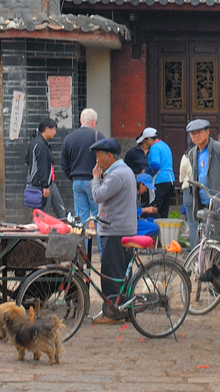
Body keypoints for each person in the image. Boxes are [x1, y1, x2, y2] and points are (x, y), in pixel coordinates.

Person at [89, 138, 137, 324]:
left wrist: (95, 179)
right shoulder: (122, 171)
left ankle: (114, 313)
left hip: (115, 229)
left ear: (109, 156)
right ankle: (122, 308)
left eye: (98, 157)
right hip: (122, 227)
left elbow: (98, 195)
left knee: (112, 274)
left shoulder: (117, 174)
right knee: (121, 273)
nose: (97, 161)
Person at [184, 119, 220, 246]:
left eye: (199, 132)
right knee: (207, 245)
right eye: (192, 133)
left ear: (207, 132)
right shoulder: (192, 154)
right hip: (205, 205)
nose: (196, 136)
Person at [61, 108, 101, 224]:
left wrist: (73, 176)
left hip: (76, 181)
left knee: (81, 218)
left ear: (80, 121)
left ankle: (83, 242)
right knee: (98, 217)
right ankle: (100, 242)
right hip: (94, 181)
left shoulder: (69, 138)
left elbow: (64, 163)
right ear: (93, 121)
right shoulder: (97, 136)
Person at [25, 119, 66, 218]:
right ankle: (37, 231)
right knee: (42, 214)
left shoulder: (36, 142)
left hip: (48, 182)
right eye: (54, 129)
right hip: (43, 185)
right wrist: (45, 186)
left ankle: (64, 226)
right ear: (47, 129)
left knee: (60, 209)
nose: (55, 132)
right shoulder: (41, 144)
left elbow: (27, 160)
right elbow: (42, 166)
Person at [139, 127, 175, 219]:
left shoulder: (154, 148)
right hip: (170, 180)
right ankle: (164, 231)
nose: (144, 144)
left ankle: (155, 230)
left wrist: (146, 173)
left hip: (159, 180)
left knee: (154, 208)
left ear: (149, 139)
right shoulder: (165, 145)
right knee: (164, 209)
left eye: (145, 141)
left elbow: (155, 164)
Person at [178, 150, 197, 246]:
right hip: (202, 190)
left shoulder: (186, 156)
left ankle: (193, 251)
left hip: (188, 189)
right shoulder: (205, 154)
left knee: (192, 223)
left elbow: (181, 176)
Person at [134, 173, 162, 239]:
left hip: (137, 218)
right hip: (130, 221)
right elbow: (131, 213)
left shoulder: (138, 194)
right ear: (141, 184)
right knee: (155, 228)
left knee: (156, 222)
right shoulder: (132, 193)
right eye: (146, 187)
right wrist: (146, 209)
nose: (146, 190)